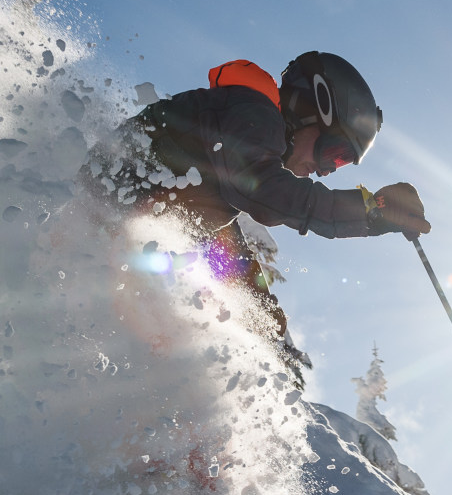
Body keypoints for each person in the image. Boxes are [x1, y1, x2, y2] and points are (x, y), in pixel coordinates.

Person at [97, 51, 430, 372]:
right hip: (93, 213)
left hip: (99, 237)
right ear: (311, 109)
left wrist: (262, 317)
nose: (326, 170)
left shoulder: (226, 159)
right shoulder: (251, 111)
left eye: (341, 164)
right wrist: (369, 211)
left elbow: (224, 249)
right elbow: (264, 189)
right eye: (335, 153)